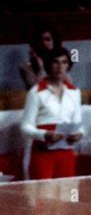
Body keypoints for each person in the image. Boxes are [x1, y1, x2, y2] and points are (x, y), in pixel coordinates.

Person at [21, 46, 83, 180]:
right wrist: (44, 134)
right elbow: (25, 127)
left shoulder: (75, 92)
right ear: (48, 64)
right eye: (56, 62)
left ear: (68, 65)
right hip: (43, 152)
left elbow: (79, 123)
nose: (60, 66)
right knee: (43, 198)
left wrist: (79, 134)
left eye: (64, 62)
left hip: (66, 152)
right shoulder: (36, 92)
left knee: (68, 197)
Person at [19, 24, 62, 90]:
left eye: (47, 39)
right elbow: (36, 90)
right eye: (40, 40)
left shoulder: (60, 63)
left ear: (54, 42)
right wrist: (41, 67)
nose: (44, 43)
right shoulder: (26, 67)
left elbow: (68, 86)